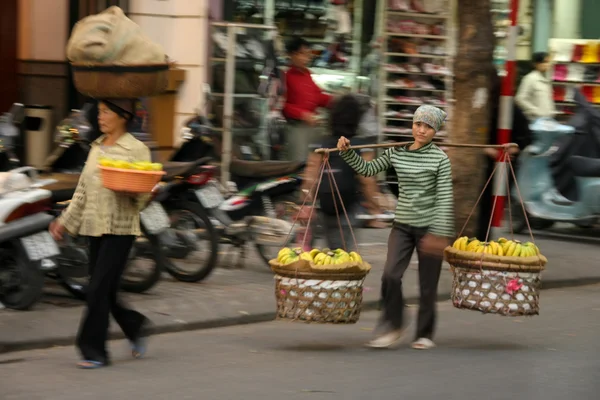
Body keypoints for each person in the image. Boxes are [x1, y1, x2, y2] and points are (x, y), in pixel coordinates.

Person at [337, 105, 454, 350]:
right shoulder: (397, 153)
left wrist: (438, 234)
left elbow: (444, 198)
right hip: (402, 225)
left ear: (435, 131)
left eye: (428, 127)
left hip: (430, 227)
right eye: (418, 124)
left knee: (427, 284)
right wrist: (347, 152)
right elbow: (367, 170)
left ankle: (424, 333)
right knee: (390, 275)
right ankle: (394, 324)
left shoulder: (441, 160)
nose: (421, 130)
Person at [49, 98, 152, 369]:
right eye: (100, 112)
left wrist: (133, 193)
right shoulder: (95, 147)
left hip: (120, 229)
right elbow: (82, 192)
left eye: (106, 112)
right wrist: (64, 221)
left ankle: (94, 351)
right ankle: (135, 325)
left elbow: (143, 194)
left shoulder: (136, 149)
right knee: (104, 289)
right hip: (94, 227)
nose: (101, 117)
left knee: (96, 289)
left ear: (123, 116)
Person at [303, 94, 366, 251]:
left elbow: (310, 174)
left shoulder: (322, 143)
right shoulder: (358, 145)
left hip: (324, 206)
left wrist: (305, 203)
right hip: (347, 206)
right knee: (344, 255)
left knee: (329, 250)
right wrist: (376, 203)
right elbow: (366, 179)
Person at [282, 36, 333, 162]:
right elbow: (282, 105)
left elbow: (317, 96)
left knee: (315, 163)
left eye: (308, 54)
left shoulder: (308, 74)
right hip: (297, 128)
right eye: (302, 54)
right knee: (299, 163)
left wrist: (336, 100)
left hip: (312, 127)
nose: (306, 58)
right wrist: (302, 114)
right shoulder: (285, 76)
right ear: (291, 55)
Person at [515, 52, 556, 122]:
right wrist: (535, 110)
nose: (548, 65)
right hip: (534, 120)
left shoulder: (546, 80)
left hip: (547, 120)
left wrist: (552, 112)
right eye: (545, 62)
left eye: (549, 62)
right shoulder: (529, 78)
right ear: (536, 64)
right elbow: (519, 99)